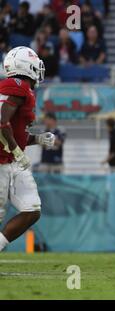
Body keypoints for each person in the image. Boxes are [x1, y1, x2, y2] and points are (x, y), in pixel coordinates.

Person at [0, 47, 55, 251]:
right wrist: (16, 151)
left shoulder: (24, 89)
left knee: (31, 209)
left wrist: (38, 139)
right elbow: (1, 121)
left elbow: (15, 131)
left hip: (12, 161)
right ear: (25, 65)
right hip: (2, 160)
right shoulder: (17, 86)